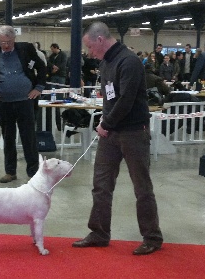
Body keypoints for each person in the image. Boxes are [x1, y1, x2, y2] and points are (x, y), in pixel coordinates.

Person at [73, 21, 163, 256]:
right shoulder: (105, 62)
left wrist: (105, 123)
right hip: (110, 133)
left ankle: (152, 237)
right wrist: (107, 124)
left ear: (100, 40)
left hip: (133, 131)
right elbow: (109, 99)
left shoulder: (129, 61)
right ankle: (99, 233)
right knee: (101, 185)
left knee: (142, 187)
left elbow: (126, 99)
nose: (90, 53)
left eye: (90, 47)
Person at [0, 25, 46, 183]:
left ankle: (33, 172)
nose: (5, 45)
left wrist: (38, 88)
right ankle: (10, 172)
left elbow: (41, 68)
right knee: (8, 137)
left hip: (25, 101)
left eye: (8, 42)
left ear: (14, 39)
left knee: (29, 137)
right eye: (1, 42)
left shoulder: (26, 49)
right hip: (3, 102)